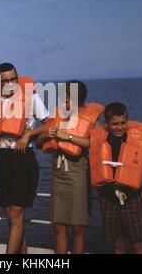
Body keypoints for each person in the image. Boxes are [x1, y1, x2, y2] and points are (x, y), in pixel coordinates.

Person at [0, 62, 49, 254]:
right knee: (11, 215)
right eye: (6, 81)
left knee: (16, 214)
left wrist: (28, 134)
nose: (11, 84)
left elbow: (49, 124)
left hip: (23, 158)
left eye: (14, 79)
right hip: (2, 157)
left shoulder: (32, 97)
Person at [38, 80, 104, 254]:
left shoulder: (93, 118)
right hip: (58, 174)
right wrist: (46, 135)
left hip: (78, 174)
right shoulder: (57, 115)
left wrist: (67, 137)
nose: (63, 103)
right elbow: (39, 144)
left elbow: (94, 143)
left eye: (66, 100)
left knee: (78, 228)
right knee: (59, 227)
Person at [89, 102, 142, 254]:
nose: (119, 127)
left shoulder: (135, 142)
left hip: (132, 199)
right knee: (117, 245)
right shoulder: (99, 142)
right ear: (106, 125)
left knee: (137, 244)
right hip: (108, 199)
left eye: (123, 123)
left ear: (127, 121)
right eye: (114, 124)